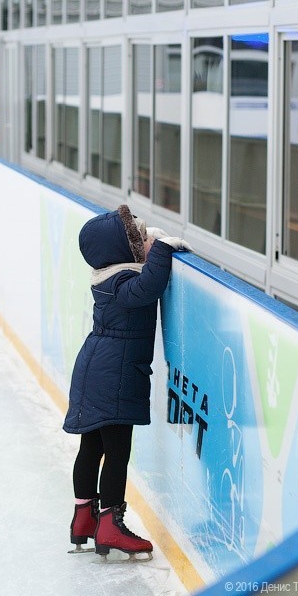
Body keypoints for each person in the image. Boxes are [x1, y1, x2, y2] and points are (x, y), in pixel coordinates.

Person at [63, 204, 190, 561]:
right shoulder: (122, 282)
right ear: (123, 250)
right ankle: (110, 526)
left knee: (92, 447)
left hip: (97, 368)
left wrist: (154, 250)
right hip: (113, 376)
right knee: (116, 453)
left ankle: (84, 520)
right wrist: (164, 249)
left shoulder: (107, 277)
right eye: (140, 238)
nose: (147, 240)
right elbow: (148, 288)